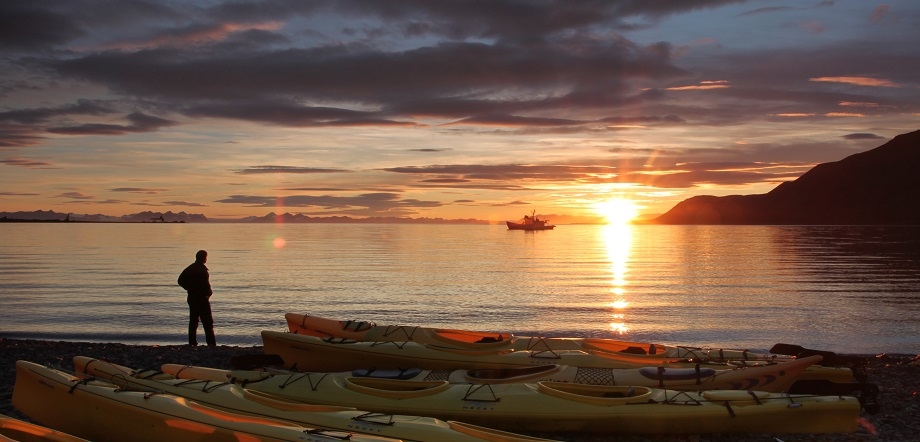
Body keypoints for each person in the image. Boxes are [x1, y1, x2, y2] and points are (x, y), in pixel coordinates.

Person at [178, 250, 216, 347]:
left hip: (192, 298)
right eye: (206, 257)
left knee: (193, 322)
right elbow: (206, 285)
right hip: (202, 299)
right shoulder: (202, 270)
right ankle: (211, 343)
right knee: (207, 322)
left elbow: (180, 280)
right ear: (204, 258)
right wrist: (208, 293)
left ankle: (192, 342)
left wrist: (189, 288)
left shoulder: (191, 268)